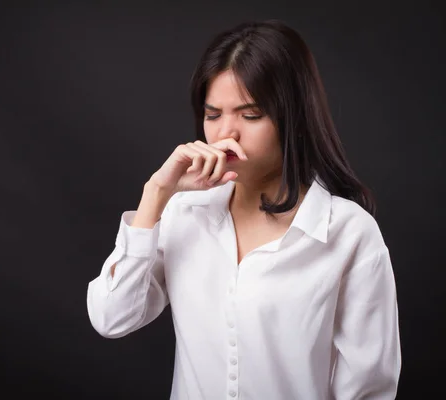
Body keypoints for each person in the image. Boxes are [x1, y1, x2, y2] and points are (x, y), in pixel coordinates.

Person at [86, 19, 401, 400]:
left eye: (250, 115)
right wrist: (155, 194)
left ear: (292, 117)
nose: (225, 134)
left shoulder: (349, 233)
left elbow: (369, 389)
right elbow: (112, 318)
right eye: (213, 114)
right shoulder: (183, 213)